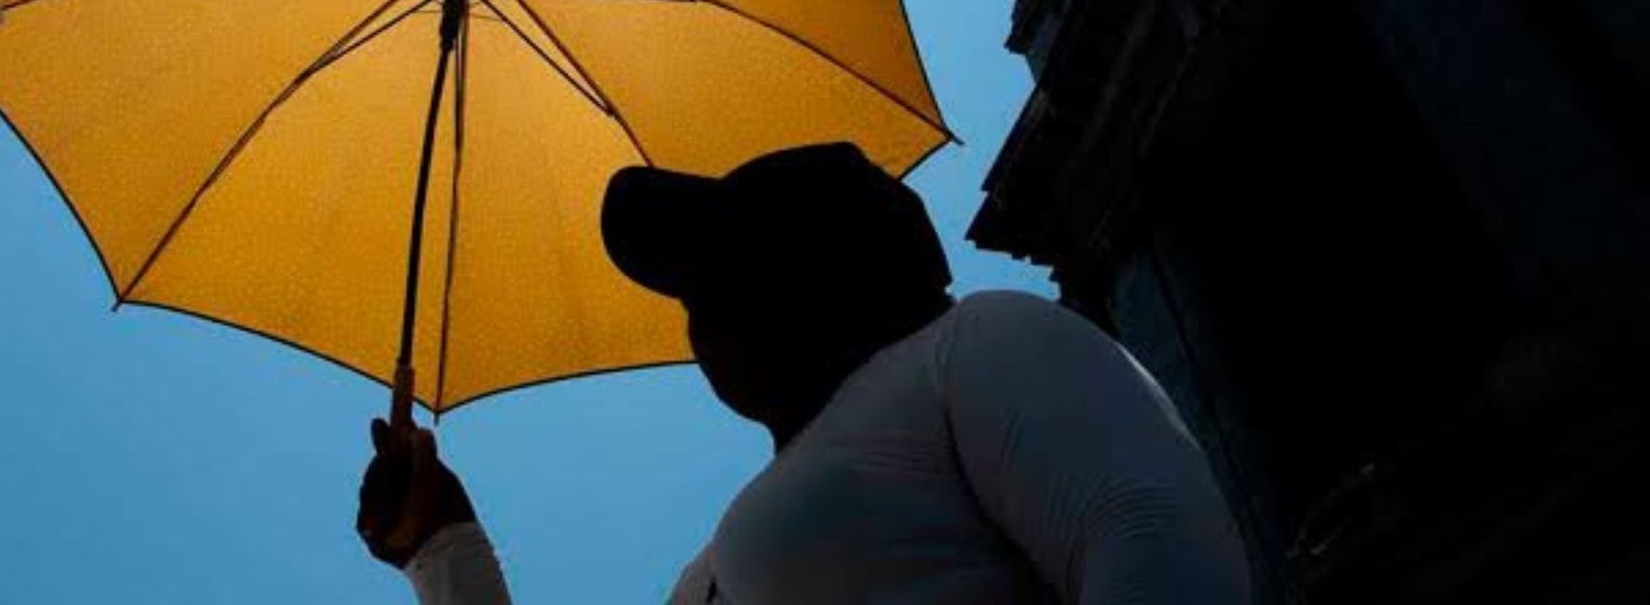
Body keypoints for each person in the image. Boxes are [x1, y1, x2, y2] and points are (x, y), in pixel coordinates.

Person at [357, 142, 1249, 603]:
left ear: (843, 267)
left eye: (725, 273)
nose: (699, 321)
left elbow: (1150, 540)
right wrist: (442, 543)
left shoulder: (976, 343)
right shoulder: (708, 570)